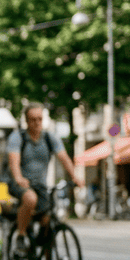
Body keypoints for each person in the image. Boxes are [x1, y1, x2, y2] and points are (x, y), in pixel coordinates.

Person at [7, 105, 82, 249]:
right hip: (20, 183)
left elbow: (64, 158)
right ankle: (21, 234)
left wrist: (75, 177)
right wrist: (18, 178)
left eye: (39, 119)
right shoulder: (18, 137)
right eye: (33, 119)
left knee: (48, 223)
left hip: (41, 185)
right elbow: (14, 162)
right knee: (30, 199)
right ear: (27, 121)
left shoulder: (49, 138)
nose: (37, 123)